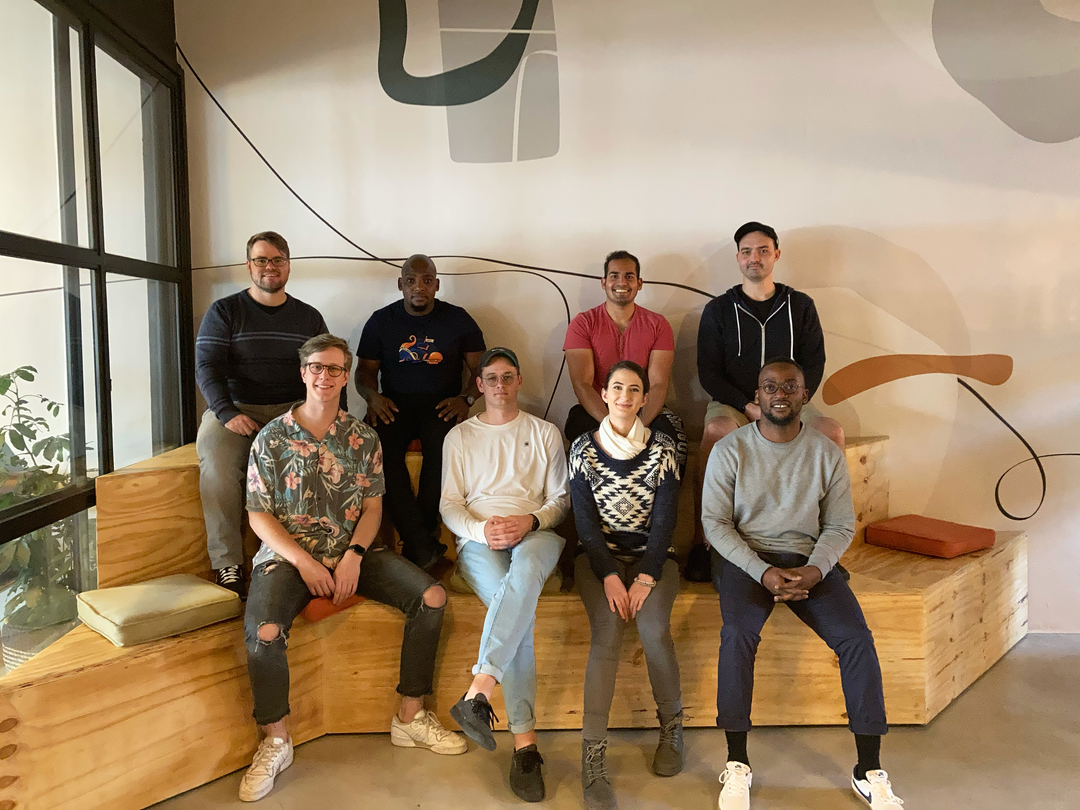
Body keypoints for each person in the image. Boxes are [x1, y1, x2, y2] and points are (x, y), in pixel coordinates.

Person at [238, 334, 465, 803]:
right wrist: (304, 563)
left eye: (335, 369)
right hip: (287, 558)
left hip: (352, 551)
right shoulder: (271, 438)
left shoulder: (363, 438)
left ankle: (410, 717)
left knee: (432, 597)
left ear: (346, 377)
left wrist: (355, 556)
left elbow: (373, 507)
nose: (325, 376)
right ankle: (276, 740)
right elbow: (258, 516)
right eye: (316, 367)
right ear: (303, 373)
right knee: (264, 633)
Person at [702, 359, 904, 810]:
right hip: (746, 561)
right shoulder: (730, 450)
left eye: (789, 386)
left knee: (856, 639)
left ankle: (868, 769)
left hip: (808, 561)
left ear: (804, 396)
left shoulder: (824, 452)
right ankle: (737, 763)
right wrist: (761, 571)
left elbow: (840, 524)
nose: (780, 394)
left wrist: (815, 569)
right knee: (737, 635)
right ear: (756, 396)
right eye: (770, 387)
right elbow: (715, 524)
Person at [440, 347, 570, 803]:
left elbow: (560, 500)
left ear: (519, 381)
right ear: (479, 385)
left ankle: (479, 691)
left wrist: (529, 521)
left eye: (508, 377)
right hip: (478, 540)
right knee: (514, 609)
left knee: (525, 574)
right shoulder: (460, 436)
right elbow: (449, 504)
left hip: (536, 534)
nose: (500, 385)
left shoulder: (545, 432)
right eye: (491, 378)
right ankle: (524, 746)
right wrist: (482, 530)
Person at [688, 221, 843, 581]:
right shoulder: (719, 309)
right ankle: (703, 542)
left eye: (762, 250)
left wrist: (789, 403)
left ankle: (826, 548)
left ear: (776, 254)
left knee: (832, 432)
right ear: (738, 258)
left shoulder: (800, 306)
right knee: (716, 430)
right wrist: (749, 406)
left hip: (789, 402)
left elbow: (814, 364)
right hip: (735, 402)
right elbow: (709, 373)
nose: (754, 257)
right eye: (746, 251)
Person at [195, 231, 343, 598]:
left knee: (325, 461)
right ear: (249, 266)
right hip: (236, 408)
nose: (269, 267)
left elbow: (324, 368)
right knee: (216, 465)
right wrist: (226, 413)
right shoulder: (225, 311)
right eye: (261, 260)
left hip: (293, 410)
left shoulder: (308, 317)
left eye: (277, 260)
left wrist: (331, 415)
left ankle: (310, 553)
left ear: (288, 266)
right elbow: (206, 366)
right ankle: (228, 563)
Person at [569, 360, 684, 810]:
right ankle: (593, 757)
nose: (624, 396)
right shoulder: (582, 449)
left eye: (634, 389)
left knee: (653, 629)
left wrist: (645, 577)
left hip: (653, 559)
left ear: (644, 398)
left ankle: (671, 730)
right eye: (616, 387)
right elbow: (585, 524)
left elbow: (666, 521)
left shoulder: (664, 449)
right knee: (607, 633)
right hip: (598, 561)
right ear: (604, 393)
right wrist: (611, 575)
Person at [356, 254, 485, 572]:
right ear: (401, 284)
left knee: (442, 454)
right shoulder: (381, 320)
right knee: (379, 453)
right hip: (393, 405)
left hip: (442, 404)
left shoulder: (458, 319)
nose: (419, 287)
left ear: (436, 285)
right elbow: (364, 371)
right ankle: (421, 542)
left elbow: (481, 370)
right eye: (412, 281)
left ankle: (420, 538)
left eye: (427, 281)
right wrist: (372, 397)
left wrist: (466, 398)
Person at [563, 250, 687, 472]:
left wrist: (637, 425)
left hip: (642, 408)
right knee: (577, 428)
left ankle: (660, 494)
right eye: (614, 276)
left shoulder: (658, 324)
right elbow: (582, 384)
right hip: (599, 410)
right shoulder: (583, 323)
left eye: (629, 276)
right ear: (603, 282)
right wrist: (612, 426)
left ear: (639, 283)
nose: (621, 282)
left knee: (672, 436)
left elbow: (658, 383)